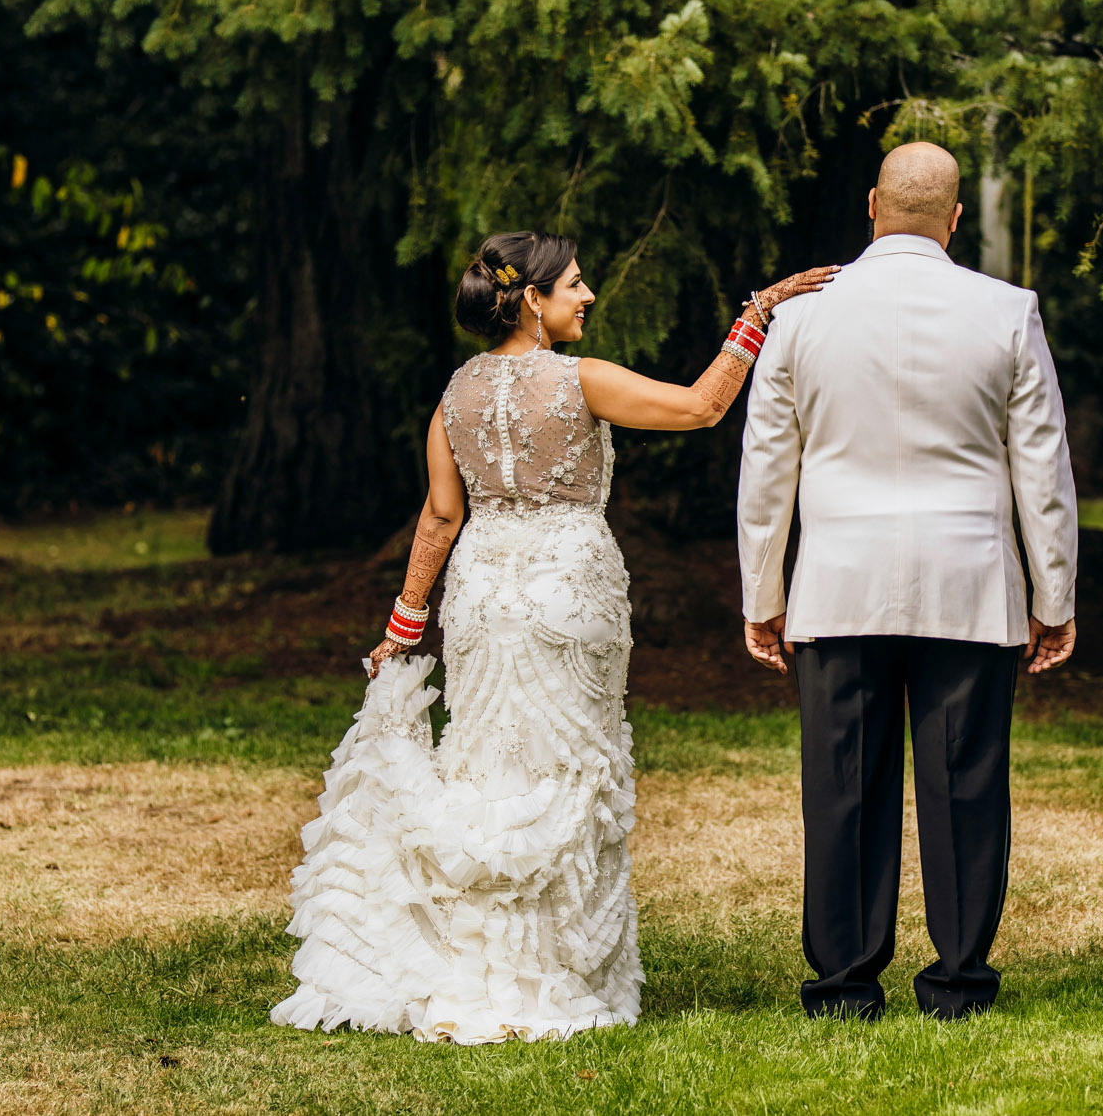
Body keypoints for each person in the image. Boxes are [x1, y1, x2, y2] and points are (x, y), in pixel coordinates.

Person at [271, 230, 837, 1044]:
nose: (588, 295)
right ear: (530, 299)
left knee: (486, 762)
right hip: (567, 589)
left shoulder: (455, 392)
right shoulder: (582, 381)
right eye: (574, 283)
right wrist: (759, 311)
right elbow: (702, 406)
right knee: (569, 764)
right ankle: (556, 974)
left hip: (478, 589)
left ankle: (470, 965)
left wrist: (404, 622)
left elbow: (440, 514)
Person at [737, 140, 1079, 1023]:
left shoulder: (804, 317)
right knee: (966, 783)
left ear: (871, 205)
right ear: (956, 218)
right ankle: (959, 983)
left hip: (838, 582)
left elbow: (768, 467)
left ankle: (844, 985)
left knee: (843, 782)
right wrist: (1056, 597)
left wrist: (762, 594)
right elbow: (1041, 467)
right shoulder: (1008, 310)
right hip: (968, 582)